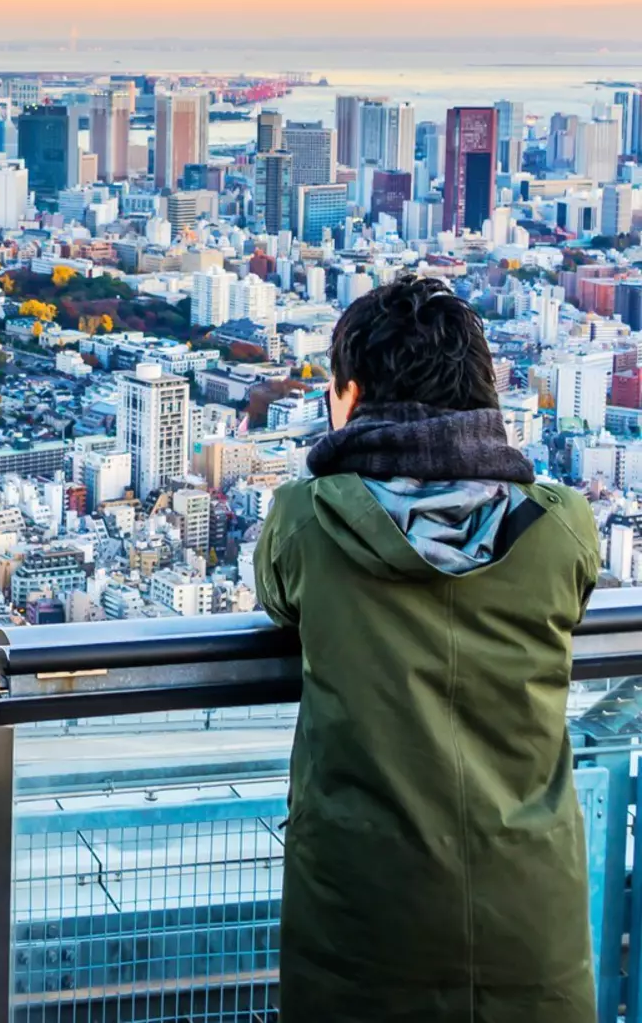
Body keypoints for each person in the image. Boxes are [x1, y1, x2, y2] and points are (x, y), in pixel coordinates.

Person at [255, 275, 599, 1021]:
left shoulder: (307, 524)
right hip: (529, 910)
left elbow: (279, 600)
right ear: (486, 399)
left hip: (364, 916)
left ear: (349, 396)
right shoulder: (562, 526)